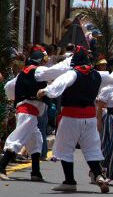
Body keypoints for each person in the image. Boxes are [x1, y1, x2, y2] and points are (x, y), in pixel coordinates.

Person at [36, 46, 113, 193]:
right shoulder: (98, 75)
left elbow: (59, 84)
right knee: (91, 148)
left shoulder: (72, 73)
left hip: (71, 117)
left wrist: (45, 91)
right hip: (89, 118)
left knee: (65, 148)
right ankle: (99, 176)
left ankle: (69, 181)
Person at [0, 47, 71, 181]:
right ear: (40, 61)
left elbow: (8, 88)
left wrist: (19, 95)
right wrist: (71, 61)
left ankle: (36, 173)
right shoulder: (38, 71)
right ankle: (1, 167)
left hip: (25, 111)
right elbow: (55, 71)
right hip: (28, 112)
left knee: (36, 140)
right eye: (44, 61)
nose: (45, 64)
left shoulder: (22, 73)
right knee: (17, 139)